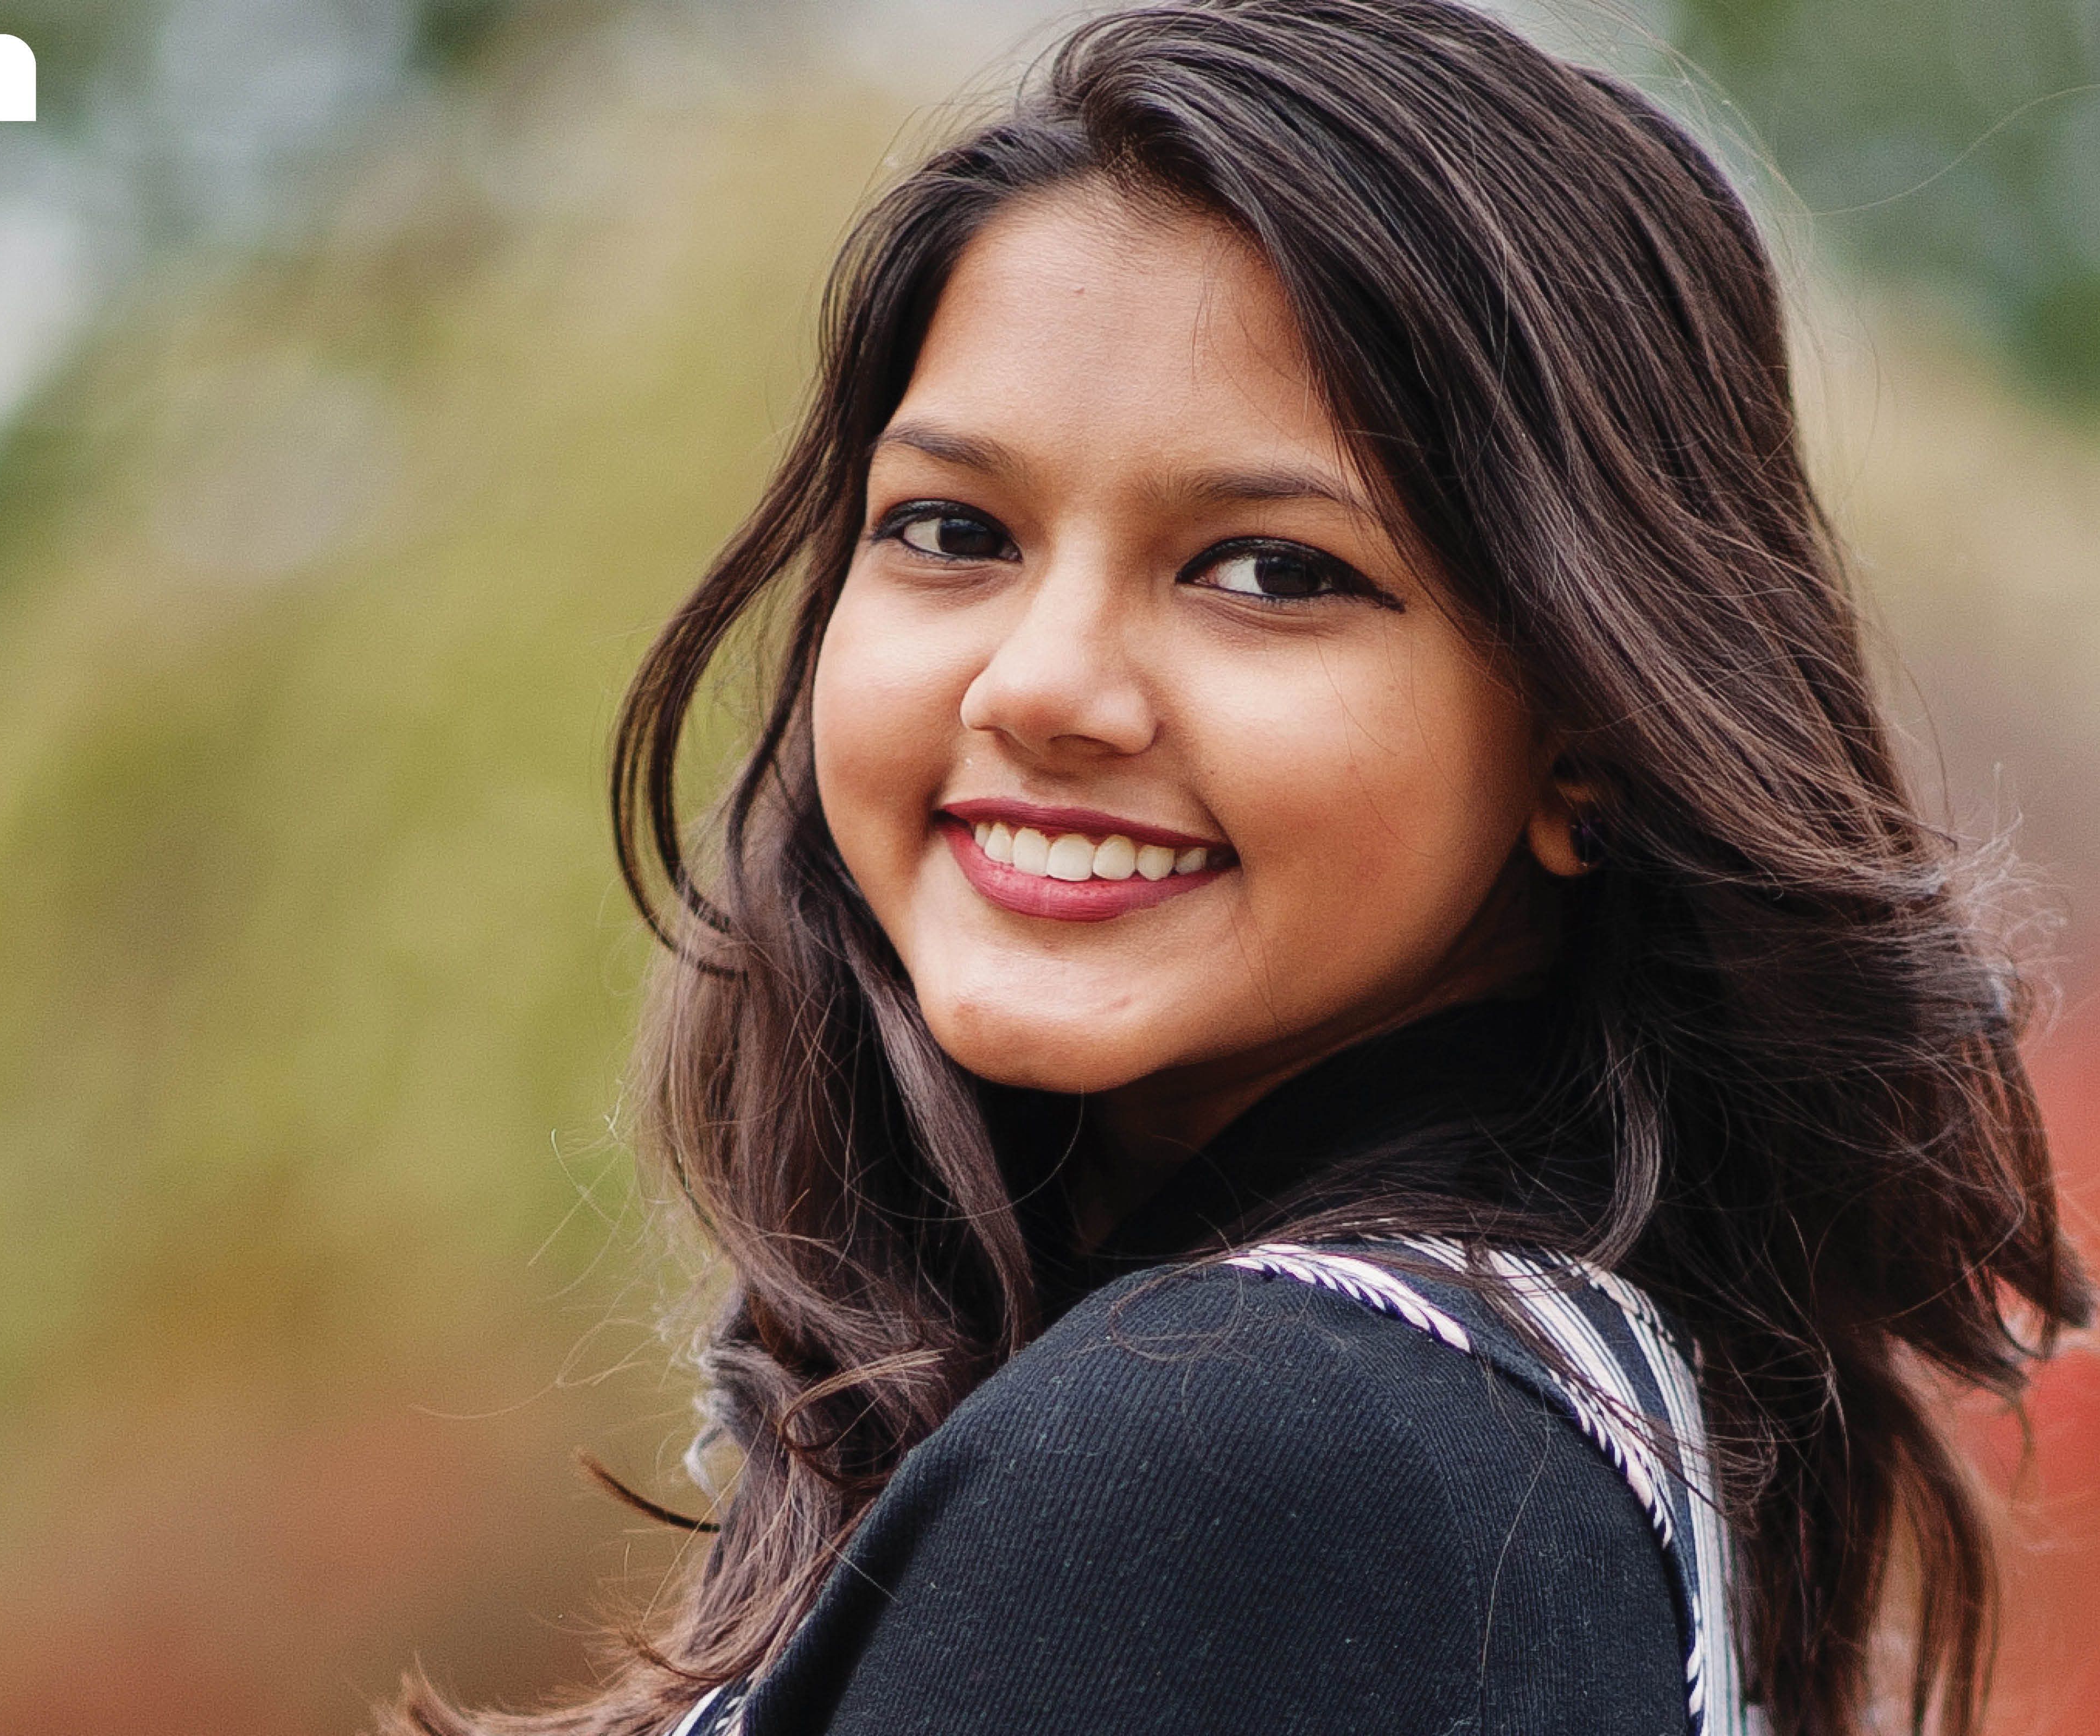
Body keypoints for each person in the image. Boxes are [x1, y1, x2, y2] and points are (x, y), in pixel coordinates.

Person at [388, 3, 2091, 1733]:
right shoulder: (1513, 1413)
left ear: (1587, 731)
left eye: (1269, 571)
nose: (1038, 684)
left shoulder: (1249, 1456)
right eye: (952, 532)